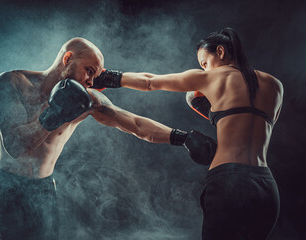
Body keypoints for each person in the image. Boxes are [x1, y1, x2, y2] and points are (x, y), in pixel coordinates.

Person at [0, 37, 215, 240]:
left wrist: (181, 137)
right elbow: (14, 146)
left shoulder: (88, 100)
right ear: (67, 58)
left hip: (43, 187)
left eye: (96, 75)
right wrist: (54, 114)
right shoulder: (13, 82)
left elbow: (135, 124)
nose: (91, 81)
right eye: (89, 71)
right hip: (8, 185)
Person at [91, 27, 284, 240]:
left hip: (229, 181)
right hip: (266, 187)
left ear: (220, 52)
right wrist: (212, 111)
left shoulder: (210, 78)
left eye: (204, 63)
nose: (204, 69)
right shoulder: (275, 86)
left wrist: (108, 77)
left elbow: (150, 82)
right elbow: (246, 120)